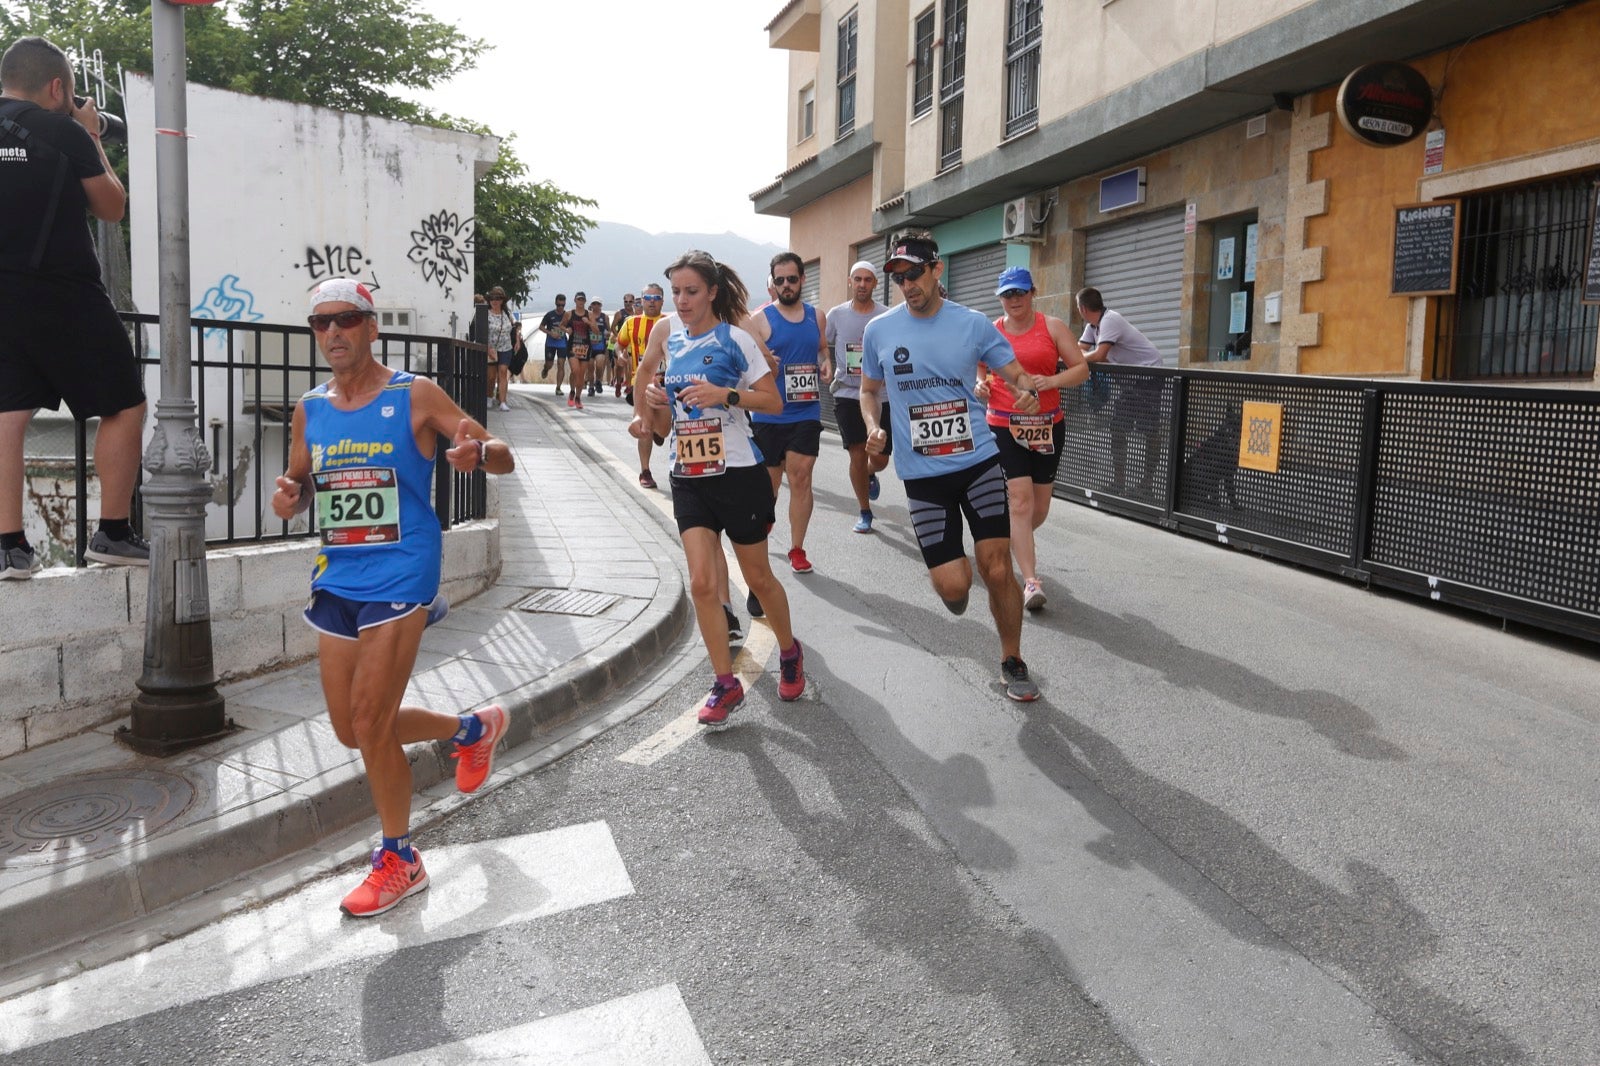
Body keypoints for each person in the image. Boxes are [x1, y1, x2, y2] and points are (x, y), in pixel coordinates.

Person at [271, 278, 514, 917]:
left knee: (373, 720)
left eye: (346, 320)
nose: (333, 334)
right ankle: (471, 729)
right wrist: (290, 497)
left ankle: (399, 857)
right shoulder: (310, 407)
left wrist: (476, 454)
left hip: (403, 570)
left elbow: (501, 453)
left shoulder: (414, 394)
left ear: (372, 327)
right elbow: (298, 480)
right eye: (320, 323)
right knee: (352, 729)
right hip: (339, 573)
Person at [860, 234, 1043, 702]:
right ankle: (954, 583)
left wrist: (1025, 389)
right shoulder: (880, 330)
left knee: (997, 568)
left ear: (936, 270)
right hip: (922, 476)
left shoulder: (974, 324)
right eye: (898, 278)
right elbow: (868, 389)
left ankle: (1012, 659)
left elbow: (1015, 372)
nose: (906, 285)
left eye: (914, 274)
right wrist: (872, 425)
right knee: (954, 586)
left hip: (979, 462)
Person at [629, 251, 805, 728]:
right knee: (703, 584)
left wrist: (723, 394)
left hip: (738, 473)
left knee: (758, 579)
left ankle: (789, 652)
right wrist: (651, 411)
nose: (681, 301)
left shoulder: (735, 340)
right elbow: (663, 416)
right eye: (675, 293)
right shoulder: (667, 336)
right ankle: (725, 683)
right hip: (687, 475)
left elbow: (772, 401)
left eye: (691, 291)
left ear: (711, 292)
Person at [0, 36, 150, 578]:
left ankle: (9, 547)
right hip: (61, 289)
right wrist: (90, 134)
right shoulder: (63, 129)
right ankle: (112, 532)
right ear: (58, 87)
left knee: (8, 413)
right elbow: (112, 207)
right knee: (125, 403)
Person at [977, 267, 1089, 611]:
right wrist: (979, 384)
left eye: (1020, 293)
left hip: (1047, 425)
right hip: (1003, 424)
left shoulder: (1051, 327)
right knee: (1021, 501)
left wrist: (1050, 382)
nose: (1014, 301)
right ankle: (1030, 581)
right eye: (1007, 295)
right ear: (1000, 298)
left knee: (1038, 508)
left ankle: (1013, 538)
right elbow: (979, 368)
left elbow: (1082, 369)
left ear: (1032, 293)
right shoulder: (991, 331)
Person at [744, 252, 829, 577]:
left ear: (802, 280)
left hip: (806, 410)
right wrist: (764, 363)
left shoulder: (816, 316)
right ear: (773, 282)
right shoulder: (760, 319)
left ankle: (797, 548)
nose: (786, 285)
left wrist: (825, 362)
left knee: (801, 475)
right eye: (779, 280)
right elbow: (746, 363)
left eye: (791, 279)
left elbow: (821, 348)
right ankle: (763, 527)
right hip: (770, 414)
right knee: (770, 486)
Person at [1076, 286, 1164, 495]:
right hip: (1131, 381)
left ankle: (1147, 485)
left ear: (1082, 308)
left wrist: (1077, 359)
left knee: (1149, 430)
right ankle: (1119, 483)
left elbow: (1097, 355)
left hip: (1149, 376)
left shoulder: (1110, 320)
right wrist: (1076, 356)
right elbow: (1079, 350)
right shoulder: (1093, 325)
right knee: (1118, 427)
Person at [825, 260, 891, 534]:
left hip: (881, 395)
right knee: (856, 453)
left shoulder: (887, 316)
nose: (862, 284)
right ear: (850, 281)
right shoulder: (836, 315)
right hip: (848, 393)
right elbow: (822, 344)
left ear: (875, 283)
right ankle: (864, 511)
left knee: (880, 457)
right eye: (858, 279)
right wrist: (823, 363)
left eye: (868, 279)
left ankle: (871, 472)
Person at [616, 283, 666, 487]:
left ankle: (659, 430)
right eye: (647, 298)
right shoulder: (631, 323)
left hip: (667, 384)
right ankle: (645, 471)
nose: (651, 302)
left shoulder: (672, 323)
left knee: (663, 428)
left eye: (656, 298)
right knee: (645, 425)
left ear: (662, 300)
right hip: (641, 382)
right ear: (641, 300)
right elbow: (620, 344)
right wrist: (621, 356)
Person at [484, 286, 520, 413]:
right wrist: (488, 349)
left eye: (498, 298)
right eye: (492, 298)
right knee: (491, 376)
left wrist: (517, 341)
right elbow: (481, 333)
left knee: (503, 372)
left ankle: (503, 401)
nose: (494, 301)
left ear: (502, 301)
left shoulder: (507, 313)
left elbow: (515, 327)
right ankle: (489, 396)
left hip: (505, 347)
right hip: (491, 348)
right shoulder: (485, 314)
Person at [565, 291, 593, 410]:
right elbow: (562, 325)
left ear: (585, 301)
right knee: (575, 370)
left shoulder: (589, 314)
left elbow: (596, 331)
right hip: (573, 346)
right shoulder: (569, 313)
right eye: (578, 299)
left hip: (585, 347)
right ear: (575, 300)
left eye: (582, 300)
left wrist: (589, 323)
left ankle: (577, 397)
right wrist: (567, 330)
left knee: (581, 374)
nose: (580, 302)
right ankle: (572, 390)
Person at [537, 294, 570, 395]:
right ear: (556, 303)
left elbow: (571, 328)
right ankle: (546, 369)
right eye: (559, 305)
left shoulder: (567, 315)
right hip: (550, 343)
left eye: (562, 305)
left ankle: (558, 387)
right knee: (550, 364)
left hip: (562, 343)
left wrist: (567, 331)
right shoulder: (550, 314)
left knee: (561, 364)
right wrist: (550, 333)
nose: (560, 307)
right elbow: (541, 327)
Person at [586, 299, 609, 398]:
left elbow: (608, 329)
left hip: (600, 346)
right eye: (594, 304)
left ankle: (598, 380)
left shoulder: (604, 317)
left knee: (600, 365)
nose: (596, 306)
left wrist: (607, 334)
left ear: (601, 305)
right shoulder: (587, 316)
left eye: (598, 304)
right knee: (590, 367)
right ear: (591, 305)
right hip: (589, 346)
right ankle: (591, 386)